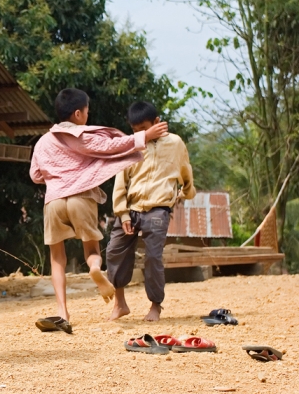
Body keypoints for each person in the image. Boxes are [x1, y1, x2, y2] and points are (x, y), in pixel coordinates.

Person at [29, 88, 168, 333]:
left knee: (57, 259)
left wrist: (56, 178)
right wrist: (144, 136)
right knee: (91, 249)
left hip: (53, 201)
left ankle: (63, 312)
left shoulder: (42, 142)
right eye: (87, 111)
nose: (88, 115)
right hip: (80, 198)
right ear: (78, 114)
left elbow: (35, 175)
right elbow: (112, 146)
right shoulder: (82, 136)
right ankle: (94, 268)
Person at [106, 101, 196, 322]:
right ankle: (120, 303)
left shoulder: (175, 143)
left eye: (144, 129)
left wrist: (187, 191)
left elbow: (185, 168)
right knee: (114, 251)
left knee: (153, 257)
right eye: (135, 130)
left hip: (158, 209)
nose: (140, 134)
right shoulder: (132, 145)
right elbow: (121, 179)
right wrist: (123, 213)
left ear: (157, 123)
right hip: (131, 208)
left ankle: (155, 306)